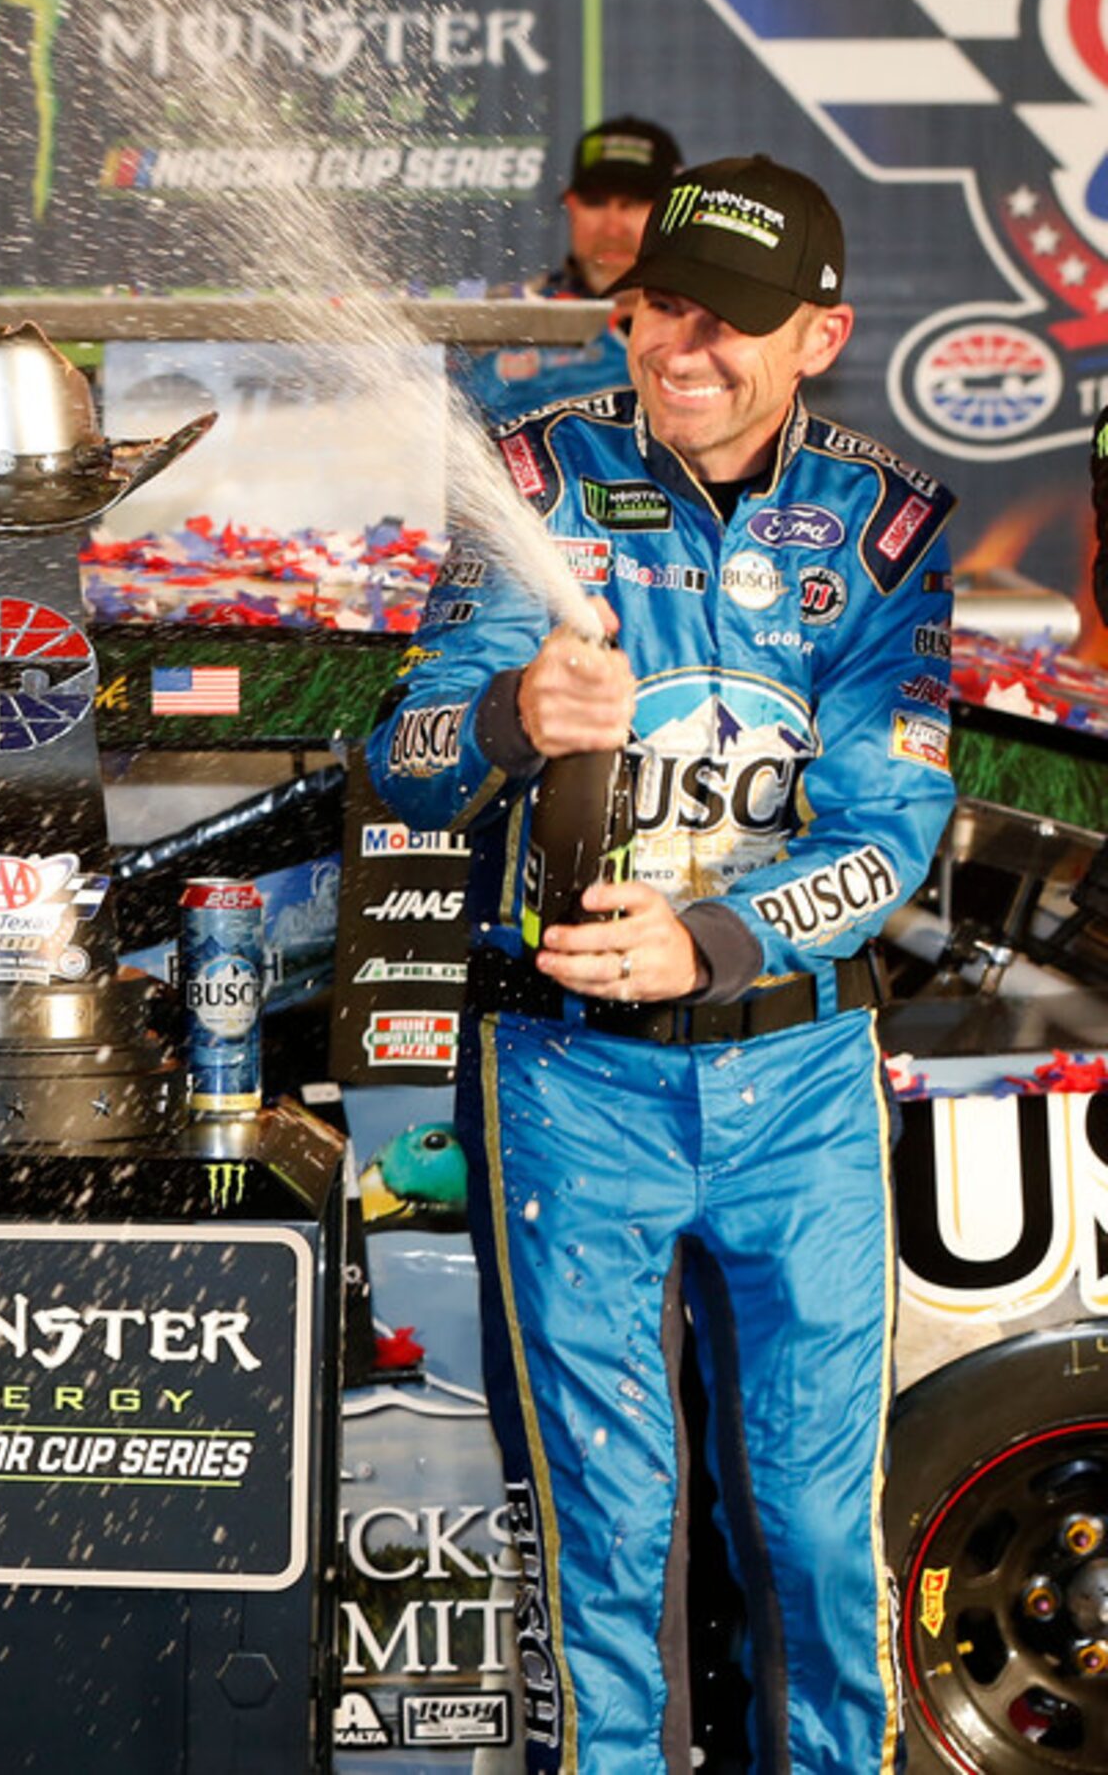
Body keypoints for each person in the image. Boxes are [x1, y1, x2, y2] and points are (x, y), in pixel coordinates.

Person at [369, 155, 956, 1770]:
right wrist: (507, 716)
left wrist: (710, 935)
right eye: (661, 309)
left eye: (731, 324)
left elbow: (894, 819)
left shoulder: (883, 528)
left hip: (802, 1084)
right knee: (604, 1542)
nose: (682, 349)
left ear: (819, 336)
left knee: (820, 1543)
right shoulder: (532, 478)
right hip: (570, 1084)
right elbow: (404, 758)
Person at [457, 115, 682, 423]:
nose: (612, 228)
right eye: (595, 201)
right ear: (571, 205)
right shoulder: (506, 319)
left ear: (676, 210)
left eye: (634, 203)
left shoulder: (715, 323)